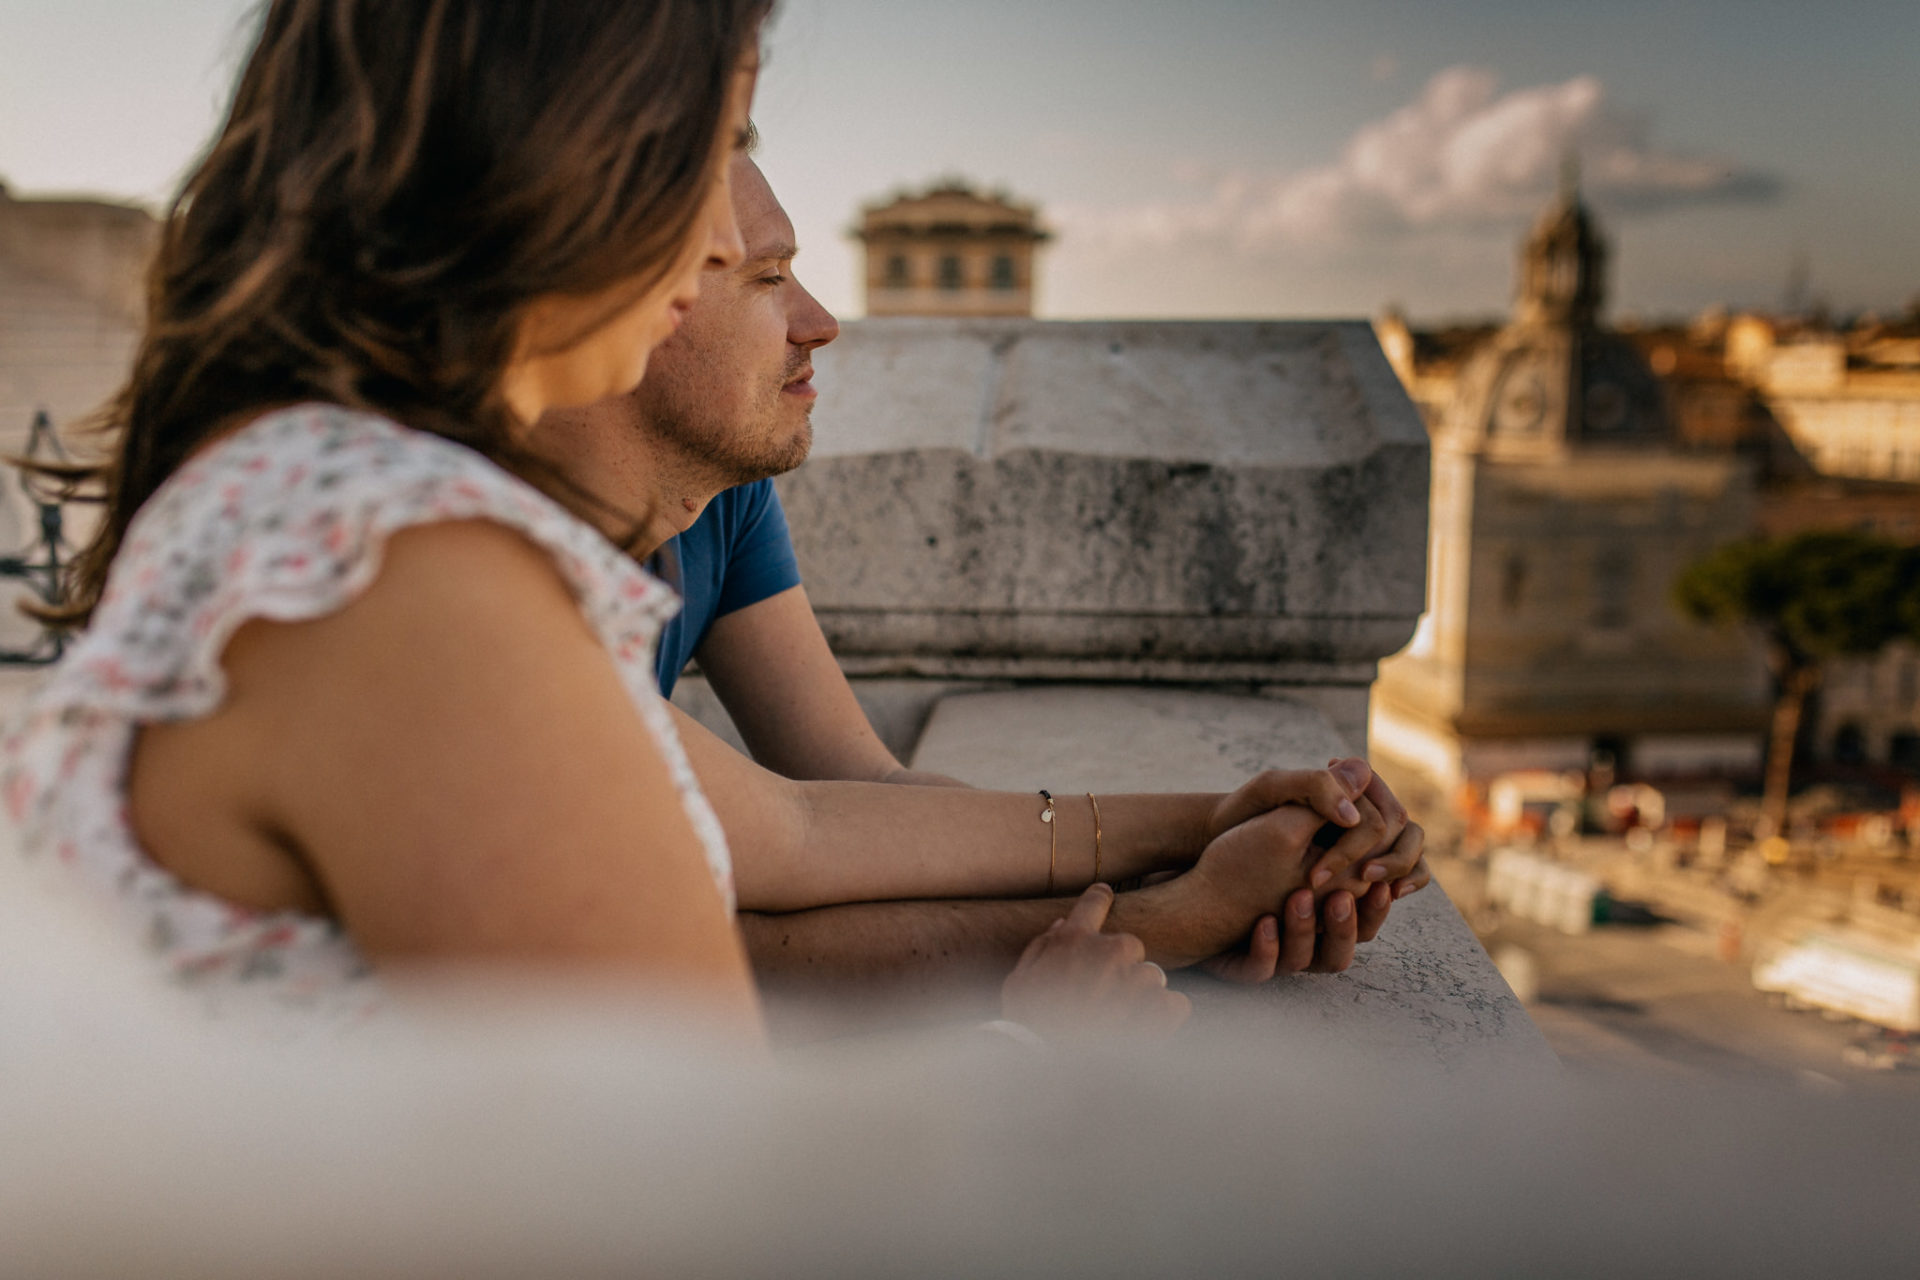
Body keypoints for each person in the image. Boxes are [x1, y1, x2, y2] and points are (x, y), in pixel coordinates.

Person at [0, 0, 1402, 1046]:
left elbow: (789, 833)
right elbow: (690, 1205)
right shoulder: (406, 581)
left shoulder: (311, 498)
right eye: (712, 147)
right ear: (571, 165)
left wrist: (1207, 837)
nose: (732, 238)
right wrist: (1037, 1057)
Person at [539, 152, 1431, 1013]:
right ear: (630, 315)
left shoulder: (715, 497)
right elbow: (769, 870)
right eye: (769, 280)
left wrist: (1220, 832)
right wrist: (1174, 914)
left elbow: (861, 791)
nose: (820, 323)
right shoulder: (486, 574)